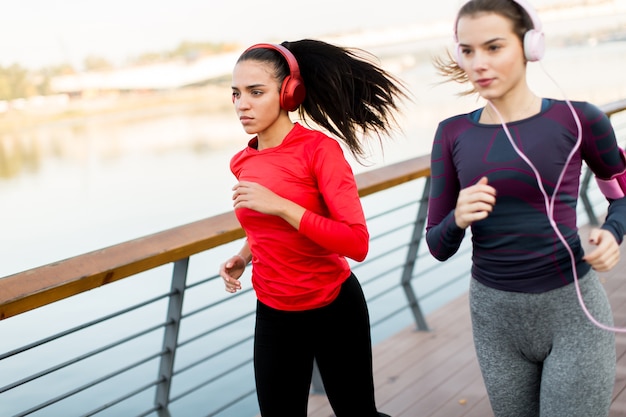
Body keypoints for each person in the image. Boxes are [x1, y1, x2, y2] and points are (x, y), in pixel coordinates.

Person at [426, 0, 626, 416]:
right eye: (468, 50)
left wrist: (613, 233)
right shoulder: (451, 134)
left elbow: (621, 195)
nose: (478, 62)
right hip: (494, 318)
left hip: (573, 312)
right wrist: (457, 218)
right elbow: (437, 245)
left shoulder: (580, 119)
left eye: (494, 47)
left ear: (530, 46)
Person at [219, 39, 407, 417]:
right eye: (236, 93)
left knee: (357, 414)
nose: (243, 104)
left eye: (256, 92)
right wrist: (243, 255)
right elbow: (266, 225)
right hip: (273, 310)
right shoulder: (242, 161)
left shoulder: (320, 151)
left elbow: (356, 243)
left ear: (289, 92)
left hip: (333, 307)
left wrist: (283, 206)